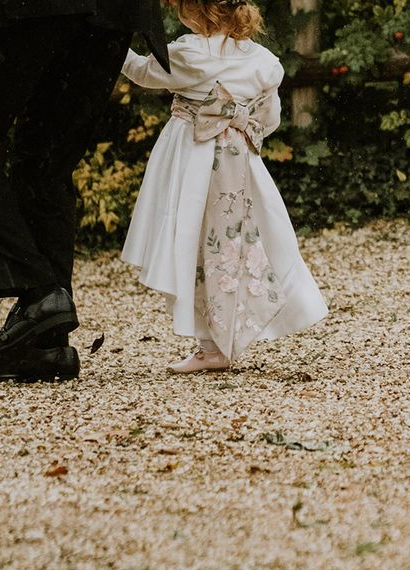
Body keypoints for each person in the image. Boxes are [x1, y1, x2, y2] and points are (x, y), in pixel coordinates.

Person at [0, 1, 169, 382]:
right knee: (46, 162)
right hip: (113, 14)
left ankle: (40, 295)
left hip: (22, 9)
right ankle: (45, 344)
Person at [121, 0, 328, 373]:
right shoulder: (263, 61)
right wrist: (240, 124)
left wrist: (112, 43)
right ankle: (227, 336)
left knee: (194, 243)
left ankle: (210, 345)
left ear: (198, 12)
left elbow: (144, 72)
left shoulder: (189, 54)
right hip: (241, 162)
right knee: (245, 238)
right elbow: (270, 118)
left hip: (194, 161)